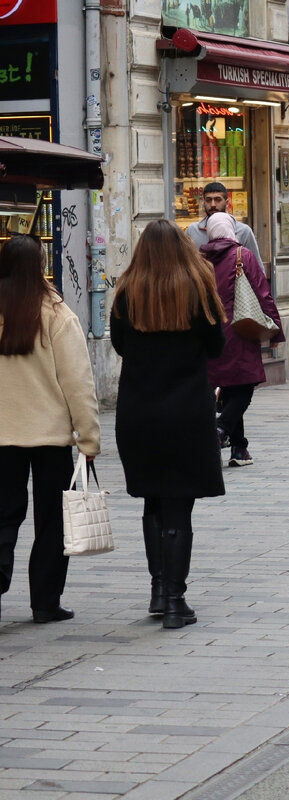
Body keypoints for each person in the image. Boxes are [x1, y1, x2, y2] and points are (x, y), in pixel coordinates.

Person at [110, 220, 225, 629]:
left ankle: (159, 590)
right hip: (186, 411)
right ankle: (176, 601)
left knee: (153, 500)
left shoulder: (127, 292)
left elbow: (120, 345)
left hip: (139, 410)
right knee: (179, 506)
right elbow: (217, 346)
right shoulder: (197, 288)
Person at [0, 234, 100, 624]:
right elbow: (79, 383)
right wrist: (89, 438)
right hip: (50, 437)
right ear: (40, 266)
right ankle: (45, 602)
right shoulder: (56, 314)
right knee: (52, 521)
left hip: (3, 436)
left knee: (3, 515)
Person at [201, 212, 284, 468]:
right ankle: (220, 429)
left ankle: (239, 448)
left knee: (228, 387)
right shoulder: (242, 256)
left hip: (209, 333)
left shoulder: (199, 261)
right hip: (240, 331)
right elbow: (263, 294)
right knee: (244, 387)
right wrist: (275, 330)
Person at [184, 182, 263, 266]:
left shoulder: (243, 231)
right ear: (203, 202)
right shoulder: (192, 231)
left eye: (218, 199)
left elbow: (256, 267)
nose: (213, 204)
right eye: (208, 200)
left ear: (227, 202)